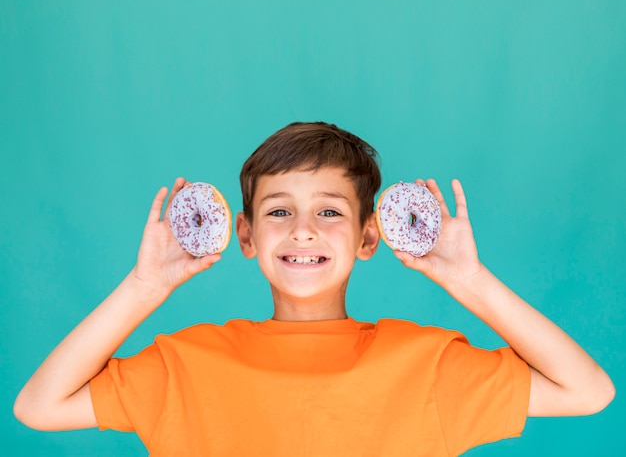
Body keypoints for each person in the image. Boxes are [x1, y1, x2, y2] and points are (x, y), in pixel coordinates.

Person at [14, 122, 615, 456]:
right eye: (279, 212)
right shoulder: (186, 365)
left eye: (330, 212)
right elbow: (38, 407)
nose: (303, 230)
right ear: (244, 235)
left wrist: (470, 282)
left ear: (368, 237)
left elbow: (588, 391)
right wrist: (145, 287)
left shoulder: (428, 366)